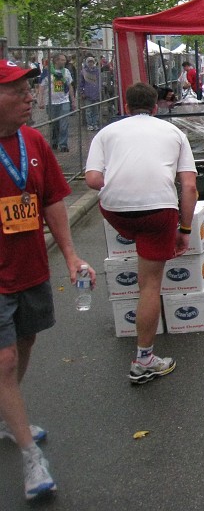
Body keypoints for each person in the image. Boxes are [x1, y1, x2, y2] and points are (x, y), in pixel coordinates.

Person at [0, 60, 91, 500]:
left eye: (29, 91)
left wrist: (71, 255)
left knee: (27, 342)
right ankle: (30, 459)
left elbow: (52, 199)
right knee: (5, 360)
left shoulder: (34, 141)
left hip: (31, 267)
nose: (30, 98)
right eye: (18, 92)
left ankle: (6, 411)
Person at [86, 82, 197, 386]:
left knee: (137, 238)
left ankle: (136, 244)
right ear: (156, 106)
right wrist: (184, 230)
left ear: (125, 104)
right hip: (158, 211)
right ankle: (144, 359)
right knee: (150, 284)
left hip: (116, 210)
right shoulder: (174, 133)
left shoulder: (106, 133)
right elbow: (188, 187)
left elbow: (93, 179)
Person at [37, 54, 74, 153]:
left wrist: (73, 101)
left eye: (64, 60)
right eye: (62, 60)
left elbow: (70, 86)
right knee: (54, 124)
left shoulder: (66, 72)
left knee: (64, 124)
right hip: (51, 102)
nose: (64, 62)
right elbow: (41, 87)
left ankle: (63, 144)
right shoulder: (47, 72)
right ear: (56, 61)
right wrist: (40, 100)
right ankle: (54, 141)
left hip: (64, 101)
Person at [78, 56, 102, 131]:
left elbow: (99, 81)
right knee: (88, 111)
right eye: (89, 62)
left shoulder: (97, 71)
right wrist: (82, 92)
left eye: (92, 62)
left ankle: (95, 123)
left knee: (95, 110)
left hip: (96, 93)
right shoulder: (83, 72)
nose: (91, 63)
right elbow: (81, 83)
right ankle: (90, 124)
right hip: (87, 94)